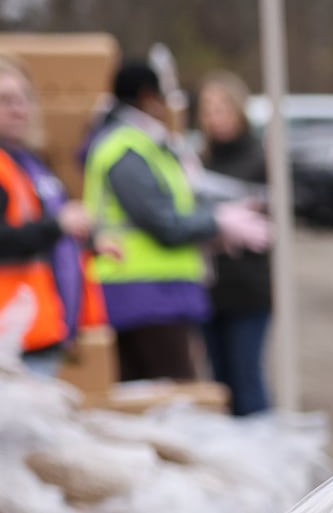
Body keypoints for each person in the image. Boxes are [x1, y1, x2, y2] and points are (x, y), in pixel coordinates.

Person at [82, 60, 269, 383]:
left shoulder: (144, 144)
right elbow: (163, 221)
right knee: (172, 394)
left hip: (154, 293)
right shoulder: (127, 148)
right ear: (148, 96)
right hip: (144, 294)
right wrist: (216, 221)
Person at [0, 54, 103, 377]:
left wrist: (88, 240)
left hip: (41, 329)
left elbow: (45, 231)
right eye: (5, 100)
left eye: (24, 99)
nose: (19, 109)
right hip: (11, 339)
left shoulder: (28, 163)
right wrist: (58, 225)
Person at [196, 71, 272, 415]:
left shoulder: (260, 158)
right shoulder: (198, 160)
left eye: (222, 108)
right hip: (209, 288)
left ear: (239, 110)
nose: (215, 117)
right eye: (208, 109)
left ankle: (262, 442)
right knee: (218, 382)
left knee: (246, 379)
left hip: (248, 288)